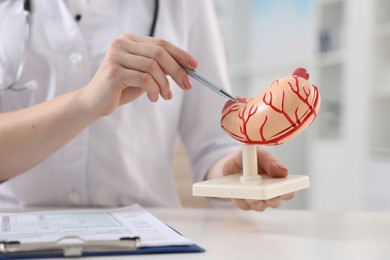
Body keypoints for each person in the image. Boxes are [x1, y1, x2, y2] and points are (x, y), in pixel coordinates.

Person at [0, 0, 294, 211]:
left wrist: (236, 172)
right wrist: (87, 103)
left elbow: (213, 146)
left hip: (148, 232)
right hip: (18, 230)